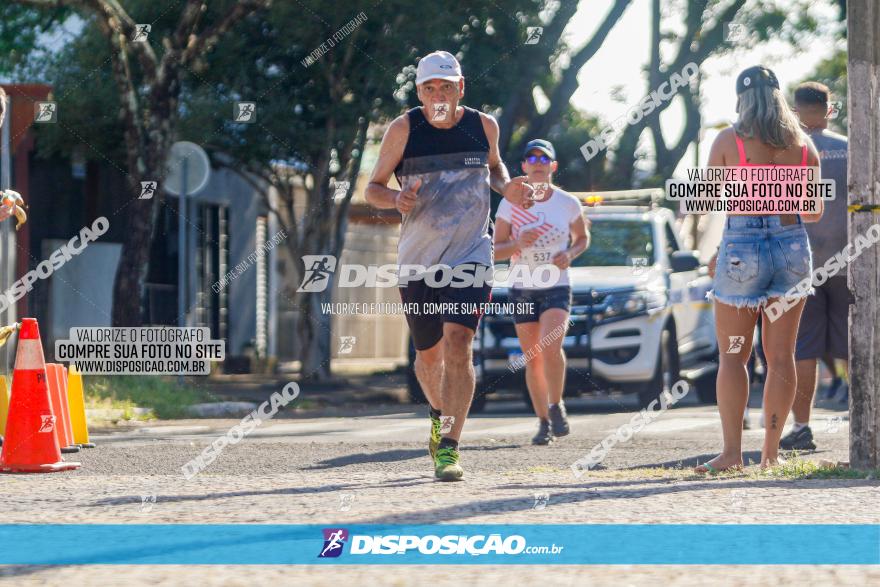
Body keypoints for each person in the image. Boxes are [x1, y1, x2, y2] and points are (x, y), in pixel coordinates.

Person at [365, 51, 535, 481]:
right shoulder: (403, 130)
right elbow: (372, 188)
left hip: (471, 254)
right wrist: (395, 199)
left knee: (459, 342)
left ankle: (450, 447)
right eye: (429, 88)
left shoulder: (484, 126)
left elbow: (495, 170)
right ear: (419, 91)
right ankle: (439, 415)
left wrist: (508, 188)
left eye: (446, 86)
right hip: (418, 261)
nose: (437, 94)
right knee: (428, 358)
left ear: (462, 88)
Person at [699, 65, 822, 473]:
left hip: (742, 248)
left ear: (740, 99)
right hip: (791, 246)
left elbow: (707, 203)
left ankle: (732, 454)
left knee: (733, 356)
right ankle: (771, 454)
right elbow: (814, 211)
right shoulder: (803, 145)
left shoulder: (726, 141)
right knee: (781, 357)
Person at [493, 139, 589, 444]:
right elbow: (496, 250)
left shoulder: (567, 202)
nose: (537, 162)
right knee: (532, 357)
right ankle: (544, 422)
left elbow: (582, 238)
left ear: (553, 166)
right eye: (530, 158)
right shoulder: (509, 203)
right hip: (522, 287)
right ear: (522, 167)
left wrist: (570, 255)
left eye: (543, 158)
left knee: (550, 346)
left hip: (557, 285)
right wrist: (519, 244)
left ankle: (556, 403)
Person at [778, 82, 850, 451]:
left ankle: (802, 427)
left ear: (795, 110)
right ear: (828, 109)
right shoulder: (850, 149)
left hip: (800, 263)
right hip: (851, 261)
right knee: (858, 343)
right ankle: (868, 424)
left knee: (802, 349)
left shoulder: (789, 151)